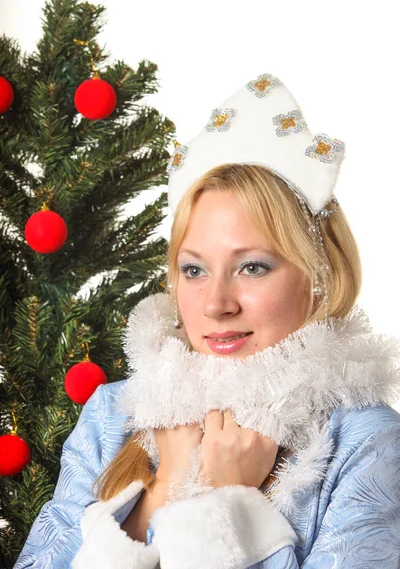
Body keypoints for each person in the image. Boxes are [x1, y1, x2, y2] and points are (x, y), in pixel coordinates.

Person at [16, 73, 400, 569]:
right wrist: (163, 492)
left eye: (253, 267)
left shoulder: (364, 441)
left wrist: (226, 504)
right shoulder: (114, 414)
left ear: (320, 276)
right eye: (194, 269)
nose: (216, 303)